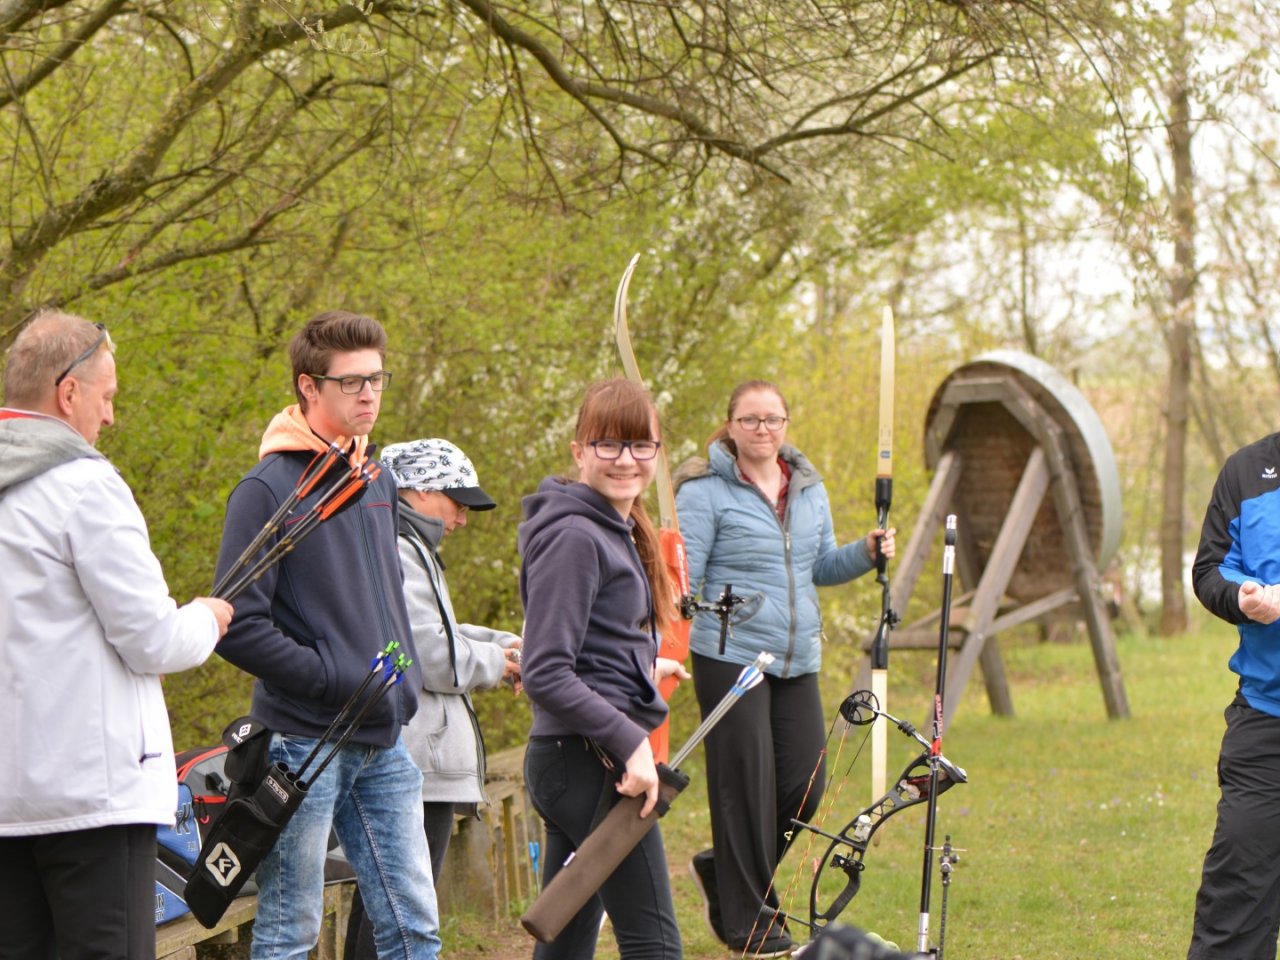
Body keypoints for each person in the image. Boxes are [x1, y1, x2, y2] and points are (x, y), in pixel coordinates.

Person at [0, 310, 232, 960]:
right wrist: (208, 618)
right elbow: (154, 639)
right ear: (68, 394)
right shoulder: (84, 486)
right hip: (94, 800)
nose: (110, 418)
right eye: (106, 398)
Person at [212, 310, 441, 960]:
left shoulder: (377, 478)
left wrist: (403, 684)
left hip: (383, 743)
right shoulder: (267, 491)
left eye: (377, 378)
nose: (369, 394)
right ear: (310, 387)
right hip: (299, 746)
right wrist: (337, 679)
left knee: (414, 927)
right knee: (291, 934)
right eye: (352, 382)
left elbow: (386, 603)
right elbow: (235, 624)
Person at [673, 379, 895, 956]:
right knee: (745, 785)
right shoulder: (703, 491)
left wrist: (865, 553)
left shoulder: (807, 487)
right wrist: (668, 634)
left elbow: (819, 566)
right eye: (750, 420)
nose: (763, 430)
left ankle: (723, 870)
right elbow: (682, 580)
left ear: (786, 425)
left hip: (797, 657)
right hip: (731, 655)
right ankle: (752, 923)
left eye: (773, 419)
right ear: (730, 426)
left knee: (804, 785)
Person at [519, 378, 686, 960]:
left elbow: (589, 642)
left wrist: (644, 666)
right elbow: (545, 671)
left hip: (576, 759)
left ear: (658, 453)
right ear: (579, 450)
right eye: (608, 444)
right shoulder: (573, 536)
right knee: (655, 945)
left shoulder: (612, 529)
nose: (625, 460)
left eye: (641, 446)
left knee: (565, 938)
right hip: (592, 762)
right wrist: (631, 744)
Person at [344, 437, 522, 958]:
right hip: (417, 762)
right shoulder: (400, 547)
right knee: (398, 916)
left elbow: (436, 629)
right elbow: (429, 654)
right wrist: (498, 664)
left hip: (419, 760)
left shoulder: (410, 546)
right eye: (456, 501)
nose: (463, 517)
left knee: (385, 912)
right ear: (419, 489)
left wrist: (498, 644)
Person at [1188, 433, 1280, 959]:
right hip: (1265, 722)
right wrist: (1240, 596)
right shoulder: (1246, 471)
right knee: (1237, 901)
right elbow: (1211, 569)